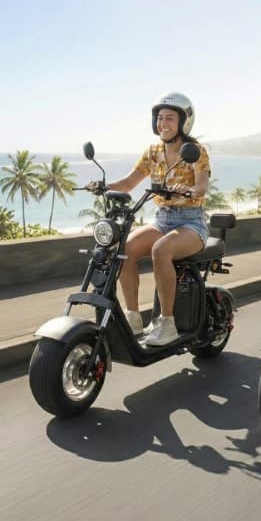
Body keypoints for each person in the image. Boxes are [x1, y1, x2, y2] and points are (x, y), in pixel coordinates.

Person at [90, 92, 212, 346]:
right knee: (124, 249)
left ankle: (167, 324)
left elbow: (201, 186)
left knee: (161, 249)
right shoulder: (152, 151)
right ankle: (133, 318)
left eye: (169, 118)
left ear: (183, 122)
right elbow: (128, 183)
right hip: (162, 220)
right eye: (159, 118)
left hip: (191, 222)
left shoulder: (196, 151)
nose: (162, 123)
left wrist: (188, 190)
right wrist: (103, 185)